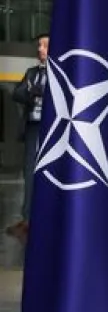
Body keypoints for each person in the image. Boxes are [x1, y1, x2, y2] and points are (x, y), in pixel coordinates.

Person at [9, 33, 48, 237]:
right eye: (38, 45)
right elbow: (18, 93)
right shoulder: (31, 72)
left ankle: (50, 217)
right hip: (33, 128)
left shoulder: (61, 72)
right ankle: (28, 219)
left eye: (44, 45)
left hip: (52, 129)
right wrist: (33, 91)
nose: (39, 49)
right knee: (29, 172)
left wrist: (36, 90)